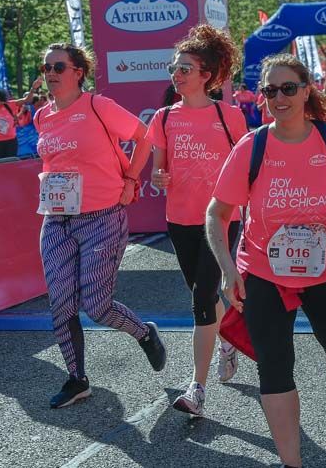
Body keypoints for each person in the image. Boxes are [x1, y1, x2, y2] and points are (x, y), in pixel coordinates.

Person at [206, 53, 326, 468]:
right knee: (274, 364)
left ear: (306, 90)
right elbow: (216, 213)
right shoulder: (253, 146)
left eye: (288, 88)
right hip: (263, 270)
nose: (279, 97)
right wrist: (229, 271)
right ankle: (291, 462)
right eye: (270, 90)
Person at [34, 43, 166, 409]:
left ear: (78, 71)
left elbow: (145, 137)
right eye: (46, 67)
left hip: (102, 216)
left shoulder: (97, 106)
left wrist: (129, 178)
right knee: (60, 304)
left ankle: (144, 333)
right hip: (57, 218)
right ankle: (77, 379)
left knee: (97, 306)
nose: (51, 73)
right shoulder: (42, 116)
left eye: (59, 66)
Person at [146, 25, 248, 416]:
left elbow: (246, 170)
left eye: (185, 68)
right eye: (175, 67)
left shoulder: (230, 116)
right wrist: (158, 177)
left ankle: (197, 389)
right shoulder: (164, 117)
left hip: (220, 219)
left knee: (201, 299)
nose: (177, 73)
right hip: (180, 219)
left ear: (206, 75)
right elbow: (159, 170)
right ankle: (225, 340)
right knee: (203, 296)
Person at [0, 81, 41, 159]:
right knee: (1, 164)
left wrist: (33, 88)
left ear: (2, 100)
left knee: (11, 162)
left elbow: (27, 100)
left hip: (11, 140)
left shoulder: (10, 105)